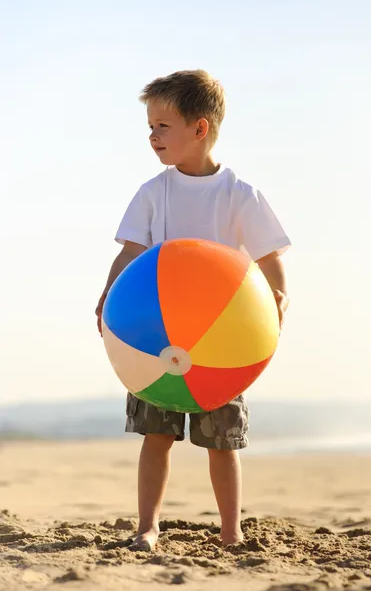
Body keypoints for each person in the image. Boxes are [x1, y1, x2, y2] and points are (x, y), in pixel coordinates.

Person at [95, 69, 291, 551]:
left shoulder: (239, 194)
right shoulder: (153, 192)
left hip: (223, 339)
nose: (151, 135)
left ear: (199, 128)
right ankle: (147, 526)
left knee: (222, 443)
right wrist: (107, 294)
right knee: (155, 436)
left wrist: (277, 307)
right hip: (155, 336)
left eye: (163, 125)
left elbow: (269, 260)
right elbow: (130, 253)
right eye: (150, 125)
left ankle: (231, 531)